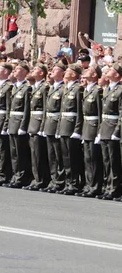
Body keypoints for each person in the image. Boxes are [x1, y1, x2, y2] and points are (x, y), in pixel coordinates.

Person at [55, 63, 85, 195]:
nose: (65, 72)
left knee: (73, 157)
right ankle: (68, 183)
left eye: (68, 70)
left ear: (73, 74)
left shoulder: (78, 89)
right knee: (65, 157)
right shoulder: (66, 88)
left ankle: (74, 183)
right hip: (64, 126)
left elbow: (80, 111)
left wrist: (77, 130)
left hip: (72, 126)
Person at [4, 63, 33, 189]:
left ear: (25, 72)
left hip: (20, 122)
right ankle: (16, 175)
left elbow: (27, 109)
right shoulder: (15, 87)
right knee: (14, 152)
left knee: (21, 152)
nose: (15, 70)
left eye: (18, 69)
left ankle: (22, 177)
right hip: (12, 122)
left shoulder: (27, 88)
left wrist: (23, 126)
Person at [77, 66, 103, 198]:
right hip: (87, 127)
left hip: (93, 127)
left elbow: (100, 114)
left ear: (94, 75)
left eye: (88, 71)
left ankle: (95, 186)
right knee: (87, 158)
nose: (84, 72)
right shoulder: (87, 90)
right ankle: (88, 185)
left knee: (94, 159)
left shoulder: (98, 91)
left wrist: (99, 131)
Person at [41, 61, 67, 193]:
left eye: (56, 70)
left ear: (63, 73)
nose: (52, 72)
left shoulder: (63, 88)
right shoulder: (51, 87)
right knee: (51, 155)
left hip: (57, 123)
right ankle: (53, 179)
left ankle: (60, 180)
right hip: (49, 123)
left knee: (58, 155)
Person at [98, 63, 122, 200]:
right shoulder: (107, 89)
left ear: (117, 75)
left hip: (113, 127)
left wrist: (117, 132)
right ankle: (108, 187)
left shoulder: (120, 90)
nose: (108, 71)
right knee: (106, 160)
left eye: (111, 70)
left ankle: (115, 188)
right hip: (105, 127)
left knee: (114, 161)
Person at [24, 63, 50, 191]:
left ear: (42, 73)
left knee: (39, 154)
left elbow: (45, 108)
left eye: (36, 69)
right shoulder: (36, 87)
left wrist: (43, 125)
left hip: (39, 122)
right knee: (34, 153)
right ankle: (36, 178)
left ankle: (41, 179)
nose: (33, 70)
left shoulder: (45, 87)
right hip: (33, 122)